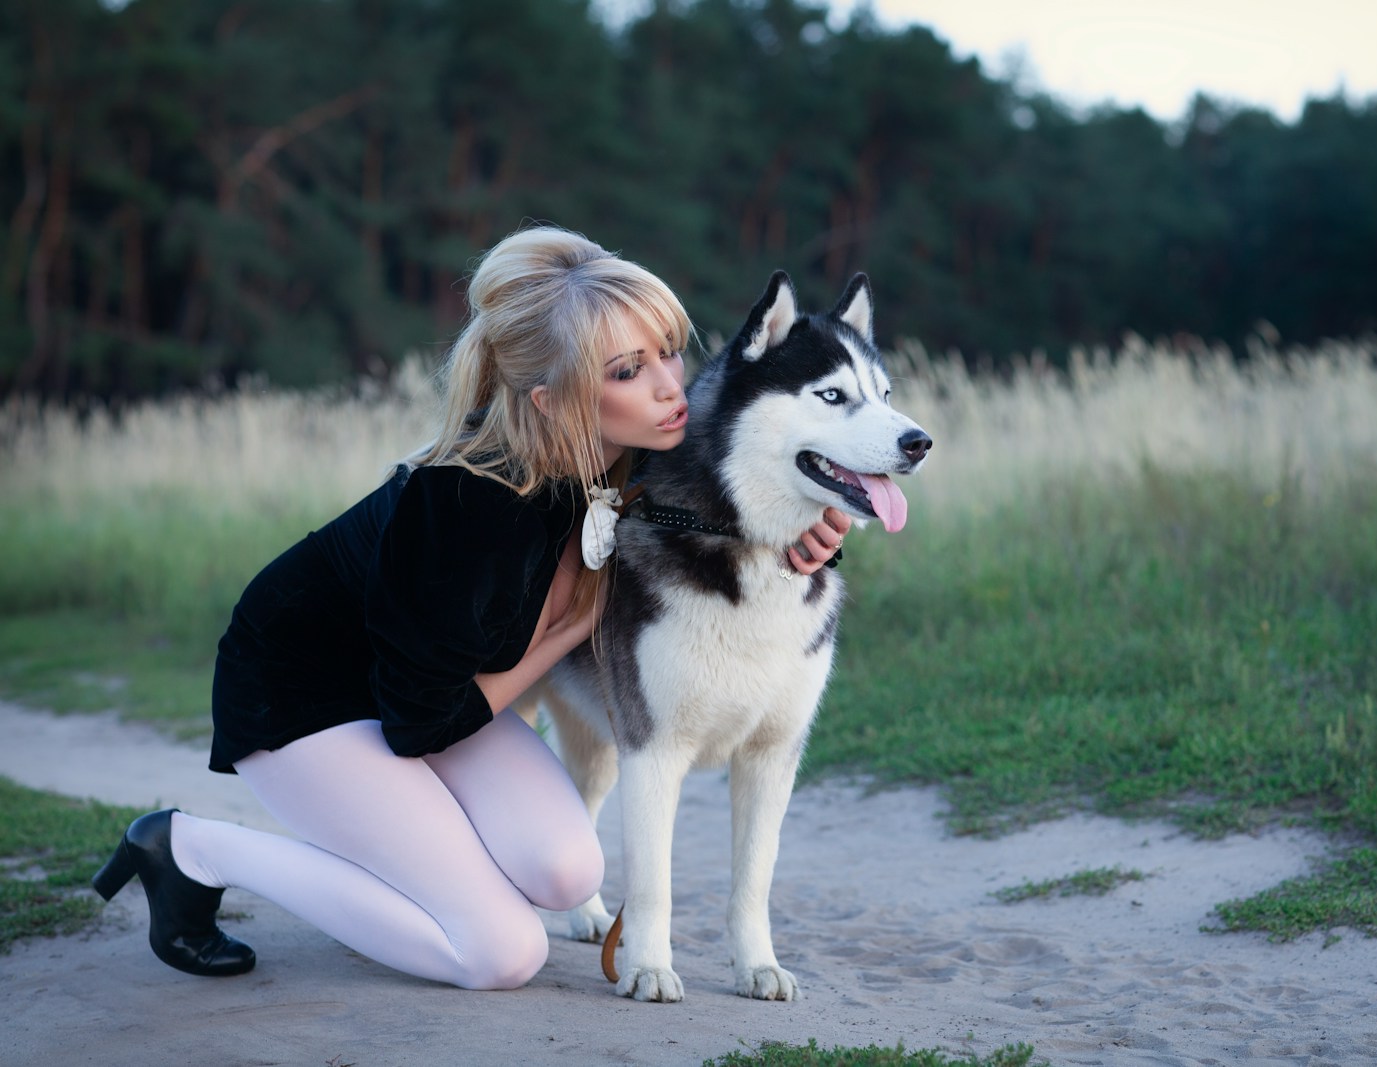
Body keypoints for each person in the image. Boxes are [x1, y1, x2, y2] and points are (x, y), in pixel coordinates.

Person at [91, 226, 850, 990]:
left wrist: (816, 533)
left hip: (432, 683)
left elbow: (740, 496)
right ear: (554, 400)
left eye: (668, 350)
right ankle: (190, 848)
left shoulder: (632, 441)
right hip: (306, 696)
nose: (668, 386)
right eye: (628, 369)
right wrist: (569, 634)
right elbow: (421, 722)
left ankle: (418, 864)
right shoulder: (468, 506)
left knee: (564, 867)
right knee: (501, 953)